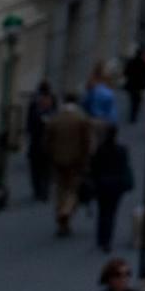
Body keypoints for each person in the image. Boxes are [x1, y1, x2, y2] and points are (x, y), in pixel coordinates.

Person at [44, 92, 97, 237]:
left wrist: (51, 156)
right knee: (72, 189)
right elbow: (87, 142)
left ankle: (62, 215)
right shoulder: (81, 119)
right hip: (76, 161)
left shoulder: (55, 119)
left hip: (58, 160)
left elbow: (48, 141)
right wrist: (86, 159)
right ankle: (66, 211)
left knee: (60, 188)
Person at [88, 122, 136, 252]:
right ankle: (106, 240)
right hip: (116, 185)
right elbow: (125, 167)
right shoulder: (121, 150)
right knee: (111, 212)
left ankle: (101, 237)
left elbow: (93, 168)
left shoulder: (100, 150)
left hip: (102, 184)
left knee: (103, 211)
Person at [25, 80, 57, 203]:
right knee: (45, 168)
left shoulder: (35, 103)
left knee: (37, 168)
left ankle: (39, 190)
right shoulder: (50, 102)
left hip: (37, 142)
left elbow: (30, 122)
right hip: (44, 142)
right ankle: (43, 190)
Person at [81, 61, 118, 126]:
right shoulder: (106, 81)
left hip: (95, 116)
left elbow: (86, 101)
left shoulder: (93, 81)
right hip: (105, 118)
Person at [122, 49, 145, 122]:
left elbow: (126, 72)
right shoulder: (143, 63)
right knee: (137, 101)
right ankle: (133, 115)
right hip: (140, 86)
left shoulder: (131, 62)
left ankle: (132, 115)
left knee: (133, 100)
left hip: (132, 85)